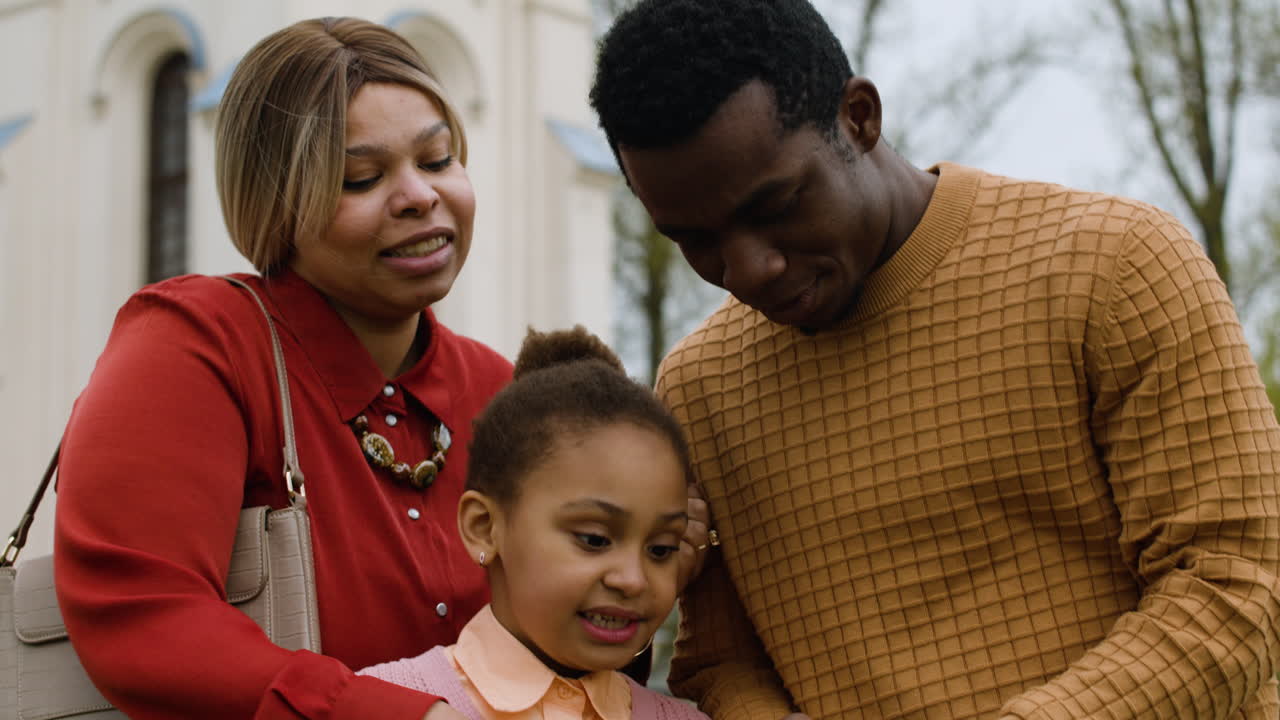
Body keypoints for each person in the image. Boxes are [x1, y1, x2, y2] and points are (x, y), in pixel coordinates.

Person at [588, 1, 1280, 719]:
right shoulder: (700, 388)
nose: (749, 267)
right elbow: (721, 662)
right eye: (695, 240)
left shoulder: (1115, 269)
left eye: (777, 205)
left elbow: (1236, 590)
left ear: (859, 117)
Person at [54, 17, 513, 720]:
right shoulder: (198, 346)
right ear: (275, 204)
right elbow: (144, 613)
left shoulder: (501, 392)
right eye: (361, 177)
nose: (419, 195)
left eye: (437, 158)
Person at [358, 327, 710, 720]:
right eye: (594, 540)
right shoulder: (389, 704)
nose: (633, 579)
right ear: (484, 527)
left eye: (661, 549)